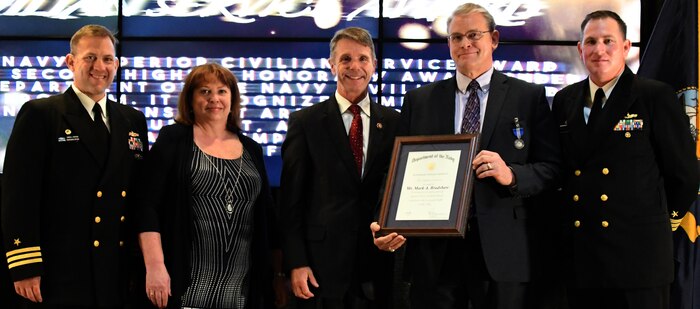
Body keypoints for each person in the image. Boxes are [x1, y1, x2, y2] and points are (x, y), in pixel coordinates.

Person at [371, 3, 561, 309]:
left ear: (494, 39)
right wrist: (385, 221)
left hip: (503, 253)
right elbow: (396, 172)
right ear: (448, 43)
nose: (465, 44)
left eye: (473, 35)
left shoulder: (529, 97)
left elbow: (551, 169)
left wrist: (511, 174)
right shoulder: (419, 100)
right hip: (435, 257)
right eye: (456, 37)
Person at [551, 10, 699, 309]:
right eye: (591, 41)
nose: (599, 49)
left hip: (638, 257)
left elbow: (684, 173)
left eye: (608, 40)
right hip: (582, 258)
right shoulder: (565, 100)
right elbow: (562, 172)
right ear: (580, 48)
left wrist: (658, 222)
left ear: (626, 47)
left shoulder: (654, 96)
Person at [1, 24, 148, 308]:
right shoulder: (41, 113)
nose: (99, 67)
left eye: (107, 59)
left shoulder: (132, 119)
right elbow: (18, 196)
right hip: (60, 270)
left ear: (116, 64)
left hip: (115, 269)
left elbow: (139, 196)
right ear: (71, 61)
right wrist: (25, 266)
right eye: (90, 57)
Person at [133, 63, 276, 309]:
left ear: (232, 99)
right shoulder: (173, 140)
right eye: (204, 91)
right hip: (181, 287)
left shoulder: (252, 148)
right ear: (190, 100)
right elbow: (146, 207)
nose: (214, 99)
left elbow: (267, 218)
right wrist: (155, 267)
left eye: (222, 91)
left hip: (242, 291)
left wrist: (276, 277)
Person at [279, 27, 401, 308]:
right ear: (332, 65)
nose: (354, 67)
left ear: (374, 65)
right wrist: (296, 263)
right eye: (345, 59)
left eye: (362, 58)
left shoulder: (396, 123)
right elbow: (290, 203)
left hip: (378, 266)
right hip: (321, 270)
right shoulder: (305, 122)